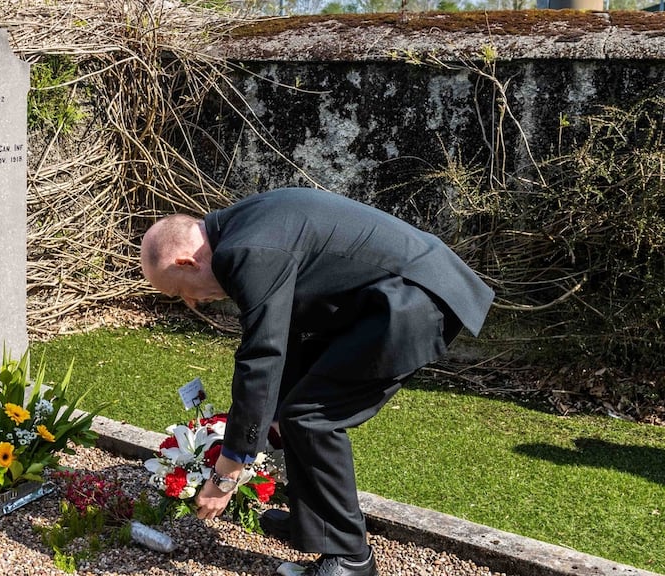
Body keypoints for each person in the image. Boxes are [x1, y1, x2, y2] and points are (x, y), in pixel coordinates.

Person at [139, 188, 494, 576]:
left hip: (414, 300)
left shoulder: (246, 251)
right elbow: (283, 329)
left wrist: (228, 469)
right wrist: (270, 415)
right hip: (389, 297)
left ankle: (351, 559)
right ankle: (317, 527)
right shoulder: (238, 231)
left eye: (177, 291)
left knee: (311, 416)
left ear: (187, 261)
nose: (190, 302)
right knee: (294, 408)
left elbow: (261, 356)